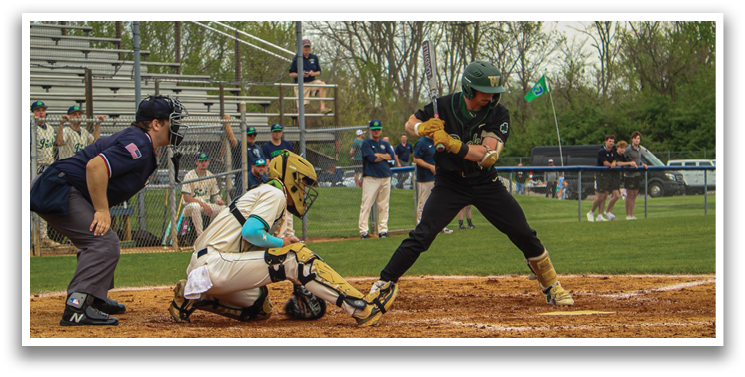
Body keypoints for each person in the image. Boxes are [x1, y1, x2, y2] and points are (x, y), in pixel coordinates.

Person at [369, 61, 573, 308]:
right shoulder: (442, 105)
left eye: (494, 92)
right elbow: (410, 123)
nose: (491, 97)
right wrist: (423, 128)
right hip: (450, 183)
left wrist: (454, 144)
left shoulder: (499, 113)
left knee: (523, 232)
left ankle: (551, 285)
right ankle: (384, 282)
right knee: (422, 234)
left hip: (486, 182)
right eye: (484, 92)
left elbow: (488, 155)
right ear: (468, 90)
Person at [167, 150, 398, 326]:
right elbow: (251, 232)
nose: (304, 191)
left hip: (208, 267)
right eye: (302, 184)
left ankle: (192, 298)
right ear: (290, 178)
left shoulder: (265, 192)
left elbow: (248, 242)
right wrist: (283, 244)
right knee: (294, 256)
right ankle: (362, 308)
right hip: (215, 264)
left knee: (260, 307)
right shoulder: (275, 192)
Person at [30, 95, 189, 326]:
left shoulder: (141, 141)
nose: (175, 126)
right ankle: (78, 306)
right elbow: (95, 167)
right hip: (58, 188)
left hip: (62, 186)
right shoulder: (140, 143)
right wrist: (102, 210)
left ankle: (94, 297)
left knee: (100, 237)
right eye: (171, 121)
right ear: (156, 124)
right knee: (104, 242)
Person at [31, 100, 62, 248]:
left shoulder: (49, 128)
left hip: (47, 167)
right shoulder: (30, 128)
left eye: (42, 110)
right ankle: (33, 236)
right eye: (37, 110)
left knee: (42, 201)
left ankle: (43, 237)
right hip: (33, 167)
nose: (40, 113)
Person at [358, 119, 395, 239]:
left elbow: (391, 156)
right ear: (370, 130)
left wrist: (379, 155)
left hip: (385, 176)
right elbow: (371, 158)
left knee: (384, 205)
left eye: (378, 129)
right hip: (371, 177)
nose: (376, 131)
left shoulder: (385, 144)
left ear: (381, 129)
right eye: (374, 130)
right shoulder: (366, 143)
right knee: (366, 204)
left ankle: (383, 231)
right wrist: (382, 156)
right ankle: (363, 231)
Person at [262, 123, 296, 237]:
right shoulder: (267, 147)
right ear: (271, 133)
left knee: (289, 207)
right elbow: (267, 163)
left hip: (287, 179)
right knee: (279, 206)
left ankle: (290, 233)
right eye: (275, 131)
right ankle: (278, 233)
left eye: (279, 131)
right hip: (275, 180)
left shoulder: (287, 145)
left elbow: (292, 160)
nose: (277, 133)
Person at [182, 152, 227, 239]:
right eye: (201, 161)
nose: (203, 163)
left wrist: (219, 201)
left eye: (205, 161)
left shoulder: (211, 176)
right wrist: (203, 204)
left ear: (208, 162)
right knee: (195, 206)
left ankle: (218, 236)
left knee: (224, 209)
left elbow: (215, 194)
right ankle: (201, 237)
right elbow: (186, 197)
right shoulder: (189, 175)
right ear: (196, 162)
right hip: (189, 207)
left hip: (206, 206)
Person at [288, 38, 332, 114]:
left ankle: (323, 107)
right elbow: (291, 73)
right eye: (305, 47)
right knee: (301, 108)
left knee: (322, 84)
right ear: (301, 48)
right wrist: (300, 74)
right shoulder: (297, 58)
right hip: (301, 84)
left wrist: (313, 73)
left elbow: (319, 72)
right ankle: (300, 125)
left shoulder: (314, 57)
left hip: (312, 82)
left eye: (308, 47)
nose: (307, 48)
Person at [587, 135, 616, 222]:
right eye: (610, 141)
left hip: (608, 176)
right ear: (606, 141)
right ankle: (591, 212)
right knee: (600, 196)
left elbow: (615, 159)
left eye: (612, 141)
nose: (611, 143)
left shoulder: (613, 151)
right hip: (601, 175)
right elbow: (605, 162)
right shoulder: (601, 151)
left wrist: (614, 163)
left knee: (605, 195)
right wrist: (611, 164)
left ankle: (600, 215)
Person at [622, 131, 648, 220]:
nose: (637, 140)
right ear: (632, 139)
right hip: (629, 175)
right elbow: (623, 159)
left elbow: (638, 160)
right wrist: (630, 164)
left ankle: (632, 214)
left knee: (634, 194)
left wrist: (642, 164)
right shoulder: (628, 149)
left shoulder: (640, 149)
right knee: (629, 194)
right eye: (635, 138)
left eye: (638, 139)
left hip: (637, 174)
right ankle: (628, 215)